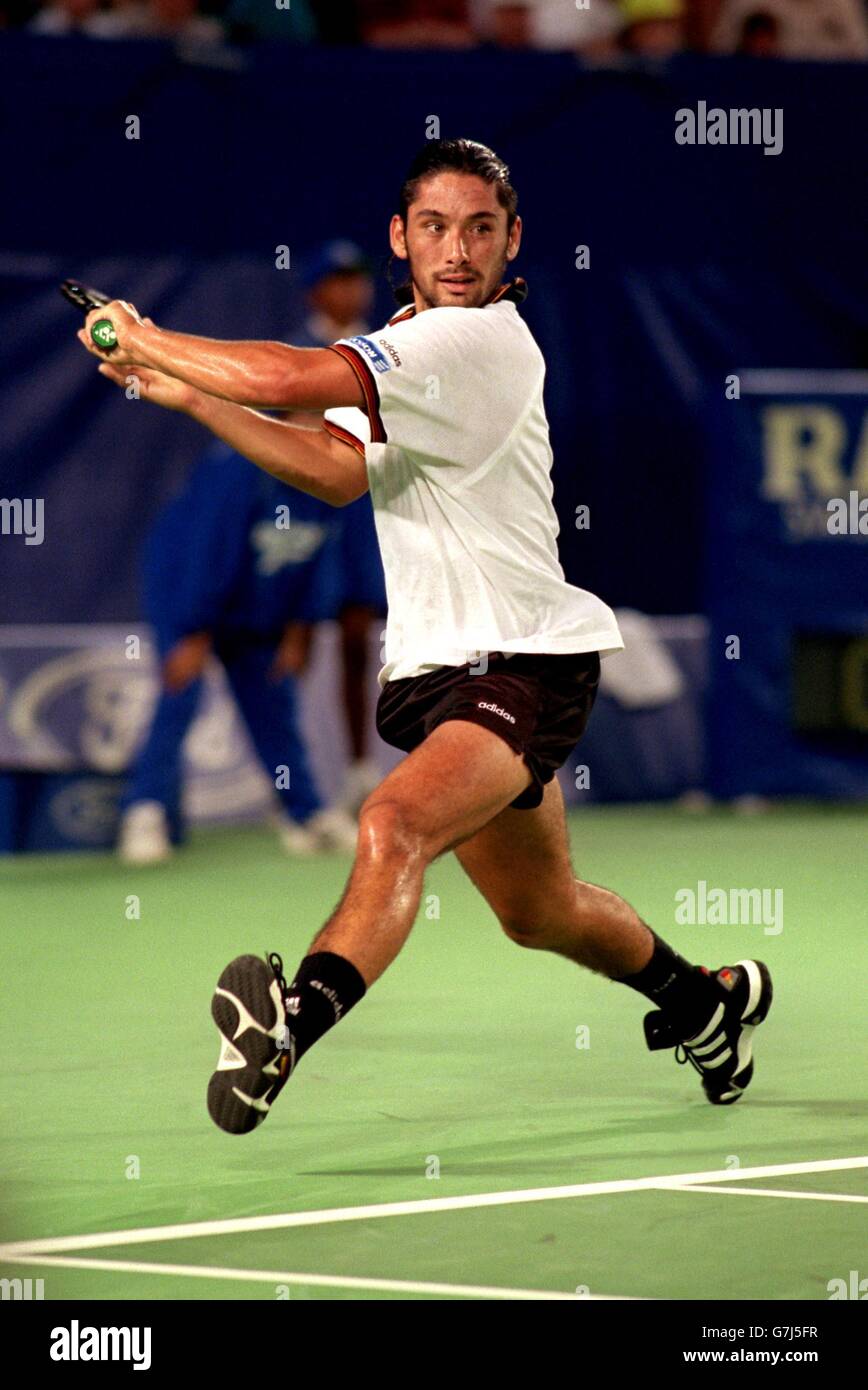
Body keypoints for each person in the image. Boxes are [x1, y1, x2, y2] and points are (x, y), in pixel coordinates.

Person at [77, 138, 773, 1134]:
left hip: (523, 659)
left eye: (480, 228)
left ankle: (286, 1029)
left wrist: (146, 340)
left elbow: (283, 377)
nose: (458, 250)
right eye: (437, 227)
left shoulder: (479, 340)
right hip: (438, 671)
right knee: (543, 912)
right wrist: (190, 396)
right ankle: (706, 1002)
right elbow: (334, 470)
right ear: (402, 236)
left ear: (511, 239)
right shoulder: (410, 340)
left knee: (391, 823)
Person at [118, 442, 358, 863]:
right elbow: (209, 548)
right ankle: (146, 811)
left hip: (260, 598)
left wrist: (300, 627)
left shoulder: (336, 470)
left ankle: (304, 813)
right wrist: (195, 629)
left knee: (273, 700)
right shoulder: (243, 465)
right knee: (181, 693)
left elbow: (322, 555)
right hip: (186, 588)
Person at [292, 242, 388, 815]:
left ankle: (358, 774)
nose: (351, 289)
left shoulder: (390, 349)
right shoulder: (292, 352)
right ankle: (294, 790)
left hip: (363, 515)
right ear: (315, 291)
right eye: (338, 279)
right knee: (291, 640)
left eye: (358, 278)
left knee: (359, 638)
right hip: (301, 516)